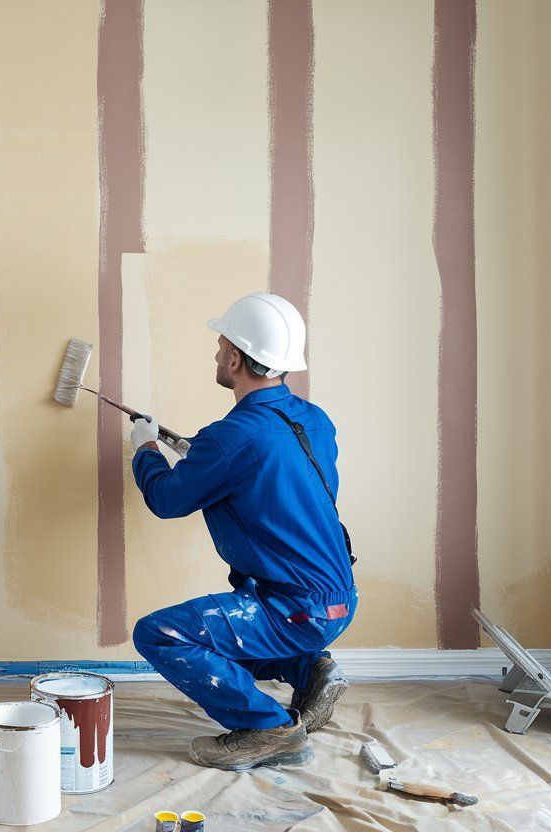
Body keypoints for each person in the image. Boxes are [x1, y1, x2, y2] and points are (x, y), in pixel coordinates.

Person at [129, 292, 357, 771]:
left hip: (295, 611)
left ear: (235, 358)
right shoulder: (314, 420)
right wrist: (205, 457)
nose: (216, 353)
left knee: (161, 634)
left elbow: (167, 500)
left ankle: (270, 730)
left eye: (220, 345)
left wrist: (146, 448)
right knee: (224, 640)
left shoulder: (231, 438)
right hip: (335, 600)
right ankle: (312, 669)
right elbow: (275, 481)